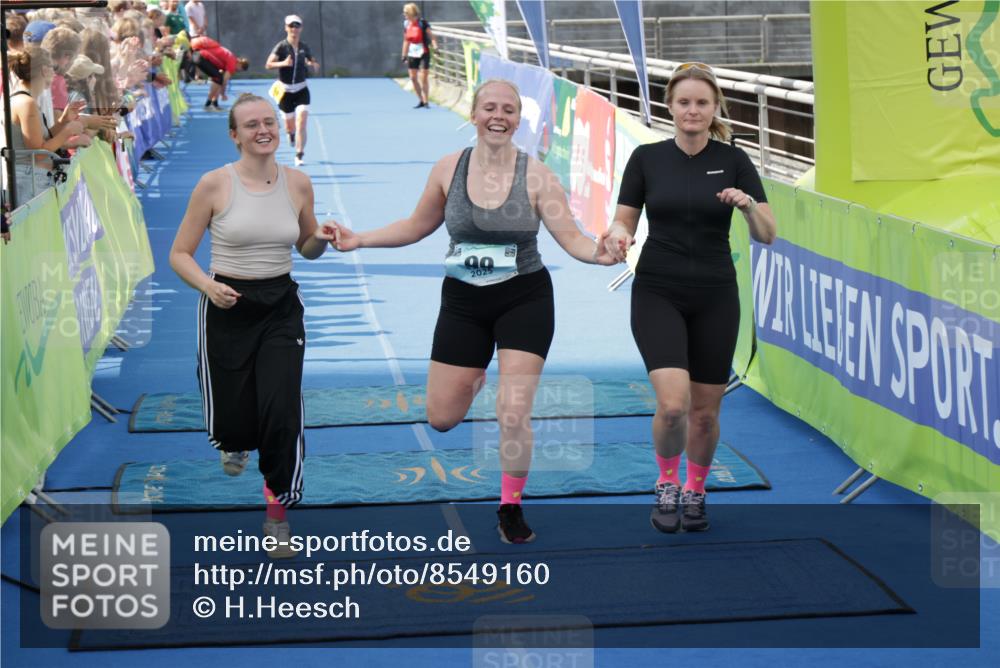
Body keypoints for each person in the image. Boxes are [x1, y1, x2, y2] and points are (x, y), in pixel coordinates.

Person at [331, 79, 619, 544]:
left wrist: (600, 254)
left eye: (508, 109)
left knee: (513, 412)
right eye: (489, 108)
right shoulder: (448, 169)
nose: (498, 116)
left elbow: (574, 240)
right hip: (464, 300)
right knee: (442, 418)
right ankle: (476, 374)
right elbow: (416, 225)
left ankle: (510, 506)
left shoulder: (538, 176)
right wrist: (359, 238)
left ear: (518, 120)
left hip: (524, 298)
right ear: (474, 114)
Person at [603, 62, 777, 533]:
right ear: (670, 106)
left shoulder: (735, 160)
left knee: (704, 414)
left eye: (702, 102)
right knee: (675, 406)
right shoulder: (646, 158)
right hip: (658, 289)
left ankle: (696, 490)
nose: (693, 110)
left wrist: (746, 207)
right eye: (684, 102)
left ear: (715, 107)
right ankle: (666, 483)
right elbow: (624, 219)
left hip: (716, 296)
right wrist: (618, 236)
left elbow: (768, 234)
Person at [169, 93, 336, 559]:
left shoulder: (298, 183)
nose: (263, 130)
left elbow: (306, 246)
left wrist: (321, 239)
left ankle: (277, 513)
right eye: (251, 125)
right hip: (227, 305)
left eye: (269, 122)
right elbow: (179, 255)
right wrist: (208, 286)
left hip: (280, 306)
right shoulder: (214, 185)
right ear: (234, 135)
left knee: (281, 408)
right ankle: (235, 441)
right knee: (236, 414)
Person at [6, 48, 85, 204]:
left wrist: (63, 121)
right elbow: (38, 153)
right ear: (44, 70)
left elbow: (41, 141)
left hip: (30, 179)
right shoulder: (26, 103)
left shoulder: (25, 99)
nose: (55, 74)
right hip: (30, 182)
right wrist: (67, 132)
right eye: (52, 68)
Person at [265, 14, 319, 167]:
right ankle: (291, 133)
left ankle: (299, 154)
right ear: (286, 28)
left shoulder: (304, 46)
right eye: (291, 26)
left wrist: (312, 63)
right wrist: (283, 63)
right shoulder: (281, 47)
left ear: (301, 28)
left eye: (297, 26)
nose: (294, 29)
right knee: (290, 126)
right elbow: (268, 64)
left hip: (302, 89)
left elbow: (311, 58)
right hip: (285, 92)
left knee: (302, 121)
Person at [188, 35, 248, 111]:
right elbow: (224, 81)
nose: (237, 71)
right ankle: (208, 104)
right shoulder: (232, 63)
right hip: (200, 57)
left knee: (218, 78)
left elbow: (219, 82)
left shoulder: (230, 58)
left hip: (198, 55)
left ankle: (214, 104)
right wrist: (223, 94)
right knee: (219, 78)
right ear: (240, 64)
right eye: (240, 69)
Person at [401, 3, 437, 109]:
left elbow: (432, 36)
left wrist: (435, 47)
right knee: (412, 77)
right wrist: (404, 54)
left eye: (406, 13)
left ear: (411, 13)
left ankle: (426, 101)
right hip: (412, 52)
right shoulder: (406, 24)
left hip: (423, 51)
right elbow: (406, 40)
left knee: (424, 77)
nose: (404, 14)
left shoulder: (423, 23)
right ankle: (420, 99)